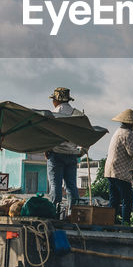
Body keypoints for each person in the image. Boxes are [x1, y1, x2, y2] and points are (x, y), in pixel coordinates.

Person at [104, 109, 133, 223]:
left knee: (114, 199)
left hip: (110, 169)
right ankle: (126, 223)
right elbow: (132, 152)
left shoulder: (118, 131)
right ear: (131, 124)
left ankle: (110, 222)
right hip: (120, 170)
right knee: (127, 199)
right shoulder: (128, 133)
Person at [46, 87, 84, 215]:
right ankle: (73, 214)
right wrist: (83, 151)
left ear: (56, 100)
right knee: (71, 187)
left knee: (55, 187)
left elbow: (47, 135)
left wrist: (46, 149)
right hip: (72, 155)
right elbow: (87, 134)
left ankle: (54, 214)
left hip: (56, 154)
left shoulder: (53, 114)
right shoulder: (77, 114)